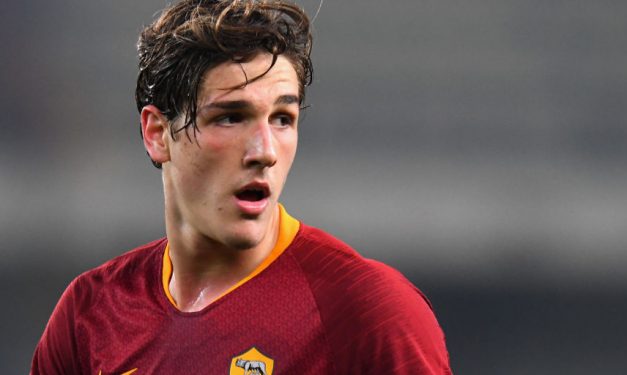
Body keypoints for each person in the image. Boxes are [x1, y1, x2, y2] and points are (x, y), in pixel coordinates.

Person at [31, 1, 451, 374]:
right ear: (158, 133)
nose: (265, 151)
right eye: (231, 117)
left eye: (282, 119)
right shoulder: (90, 314)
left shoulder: (371, 314)